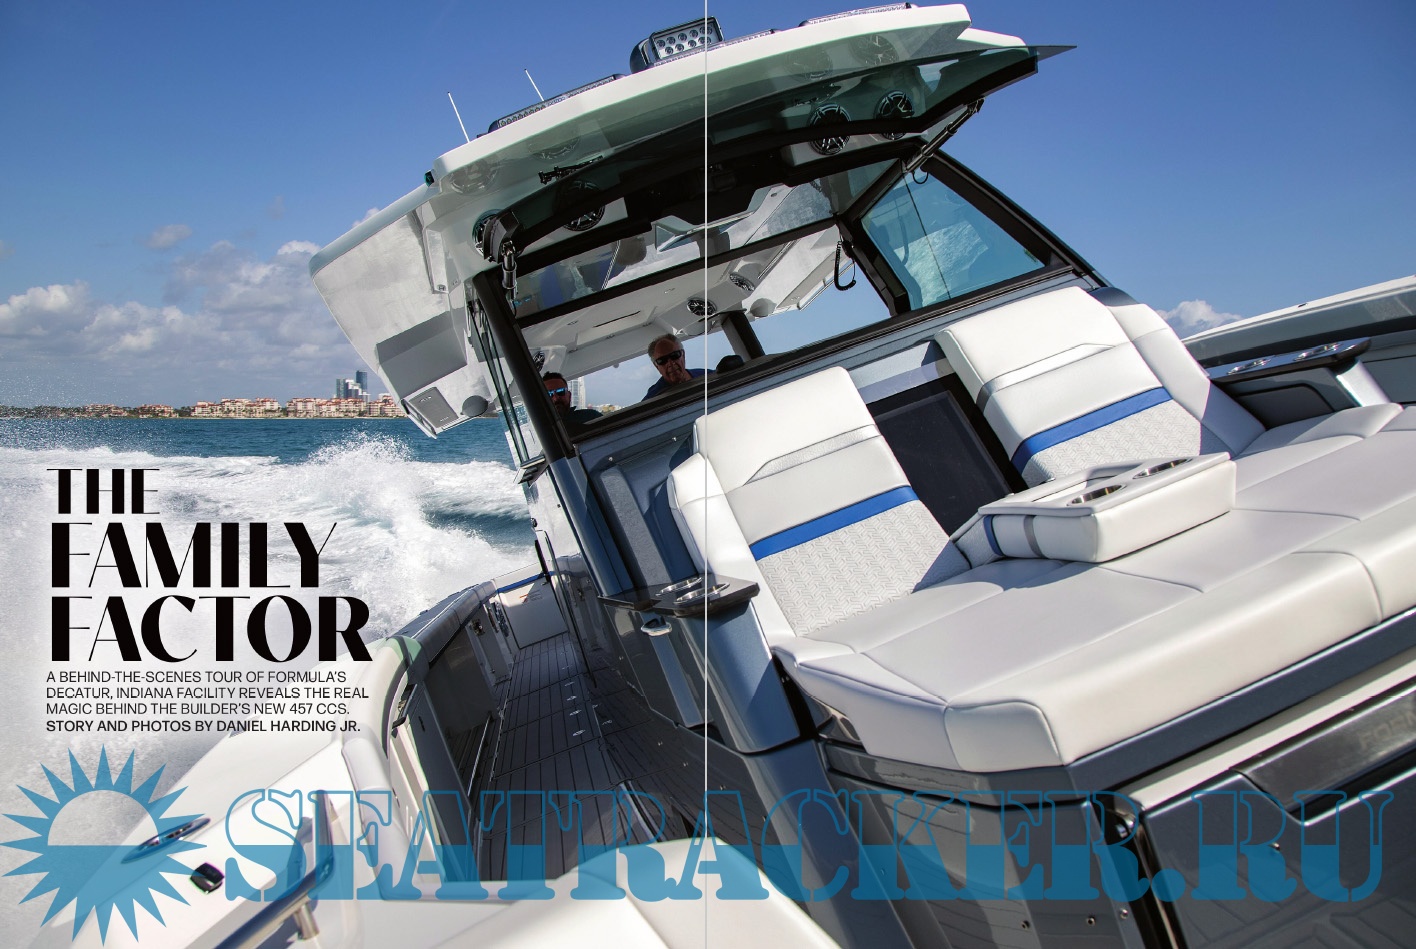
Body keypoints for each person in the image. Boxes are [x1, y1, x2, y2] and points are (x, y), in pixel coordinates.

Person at [642, 334, 711, 400]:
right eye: (662, 360)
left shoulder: (708, 376)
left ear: (683, 355)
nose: (670, 363)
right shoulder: (652, 399)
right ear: (656, 366)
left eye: (674, 355)